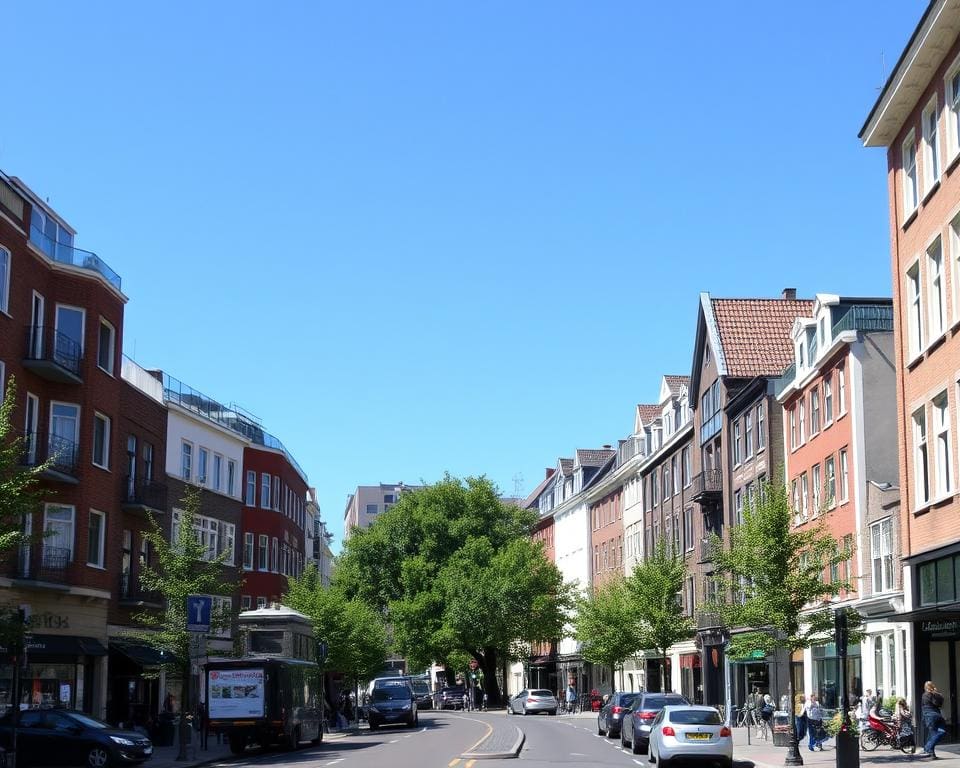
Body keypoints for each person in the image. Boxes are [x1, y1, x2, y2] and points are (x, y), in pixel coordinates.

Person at [922, 680, 946, 759]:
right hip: (938, 716)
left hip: (931, 717)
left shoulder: (925, 695)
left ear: (925, 687)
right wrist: (936, 694)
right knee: (941, 732)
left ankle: (927, 747)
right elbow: (940, 704)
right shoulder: (936, 694)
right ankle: (932, 754)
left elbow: (925, 706)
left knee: (933, 734)